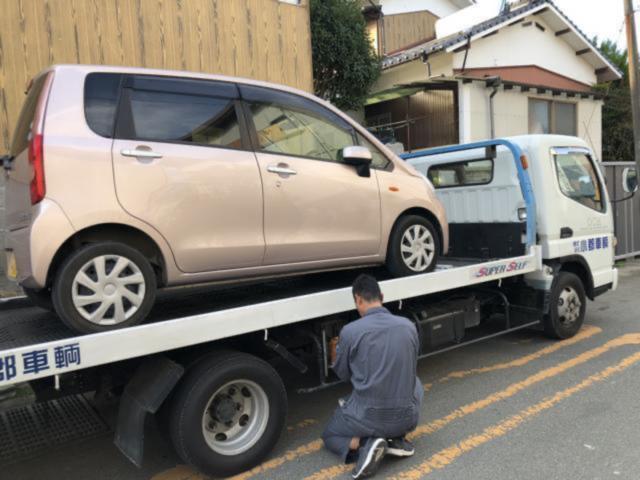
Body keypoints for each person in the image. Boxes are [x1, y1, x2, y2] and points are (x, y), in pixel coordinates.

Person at [321, 274, 424, 479]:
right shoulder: (408, 326)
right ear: (382, 296)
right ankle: (395, 438)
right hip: (408, 418)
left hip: (368, 418)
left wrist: (335, 353)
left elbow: (343, 374)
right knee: (416, 382)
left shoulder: (350, 331)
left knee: (329, 435)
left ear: (358, 299)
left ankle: (366, 444)